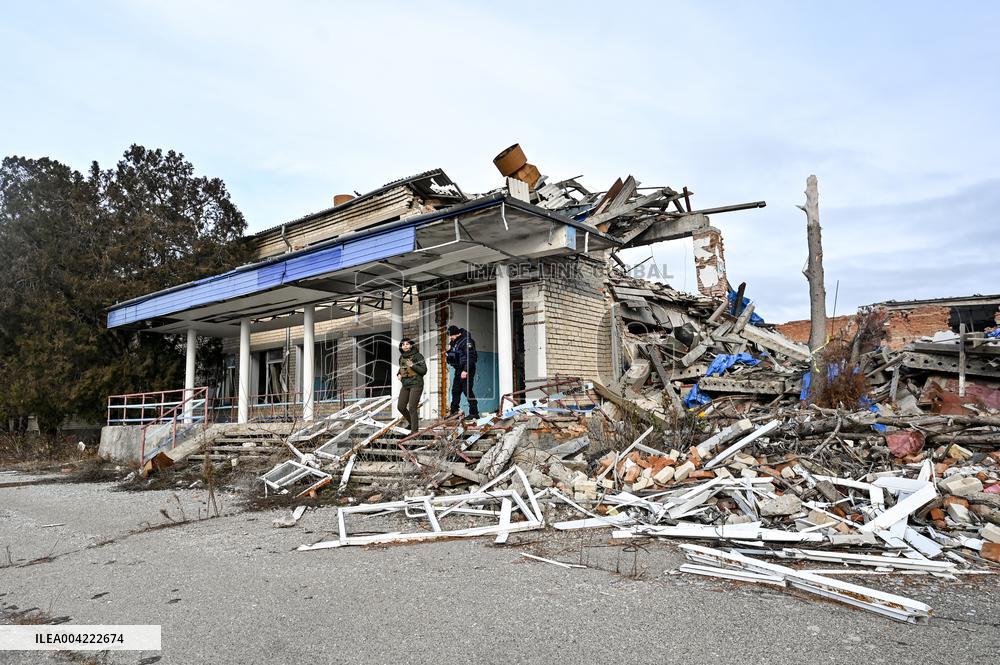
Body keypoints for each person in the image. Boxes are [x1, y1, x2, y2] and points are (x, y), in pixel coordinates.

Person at [446, 325, 479, 419]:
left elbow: (471, 357)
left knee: (467, 391)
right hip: (458, 369)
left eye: (451, 335)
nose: (450, 337)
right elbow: (455, 355)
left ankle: (474, 413)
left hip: (467, 369)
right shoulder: (454, 342)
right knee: (455, 391)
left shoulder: (467, 341)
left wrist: (465, 370)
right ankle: (454, 412)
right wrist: (449, 352)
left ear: (458, 334)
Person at [396, 338, 426, 434]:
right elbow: (402, 368)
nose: (405, 346)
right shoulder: (401, 357)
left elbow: (423, 371)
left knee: (412, 407)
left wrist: (413, 365)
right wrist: (399, 374)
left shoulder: (418, 356)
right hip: (406, 384)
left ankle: (414, 431)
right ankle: (411, 423)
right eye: (403, 344)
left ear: (411, 345)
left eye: (407, 344)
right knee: (400, 406)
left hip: (416, 383)